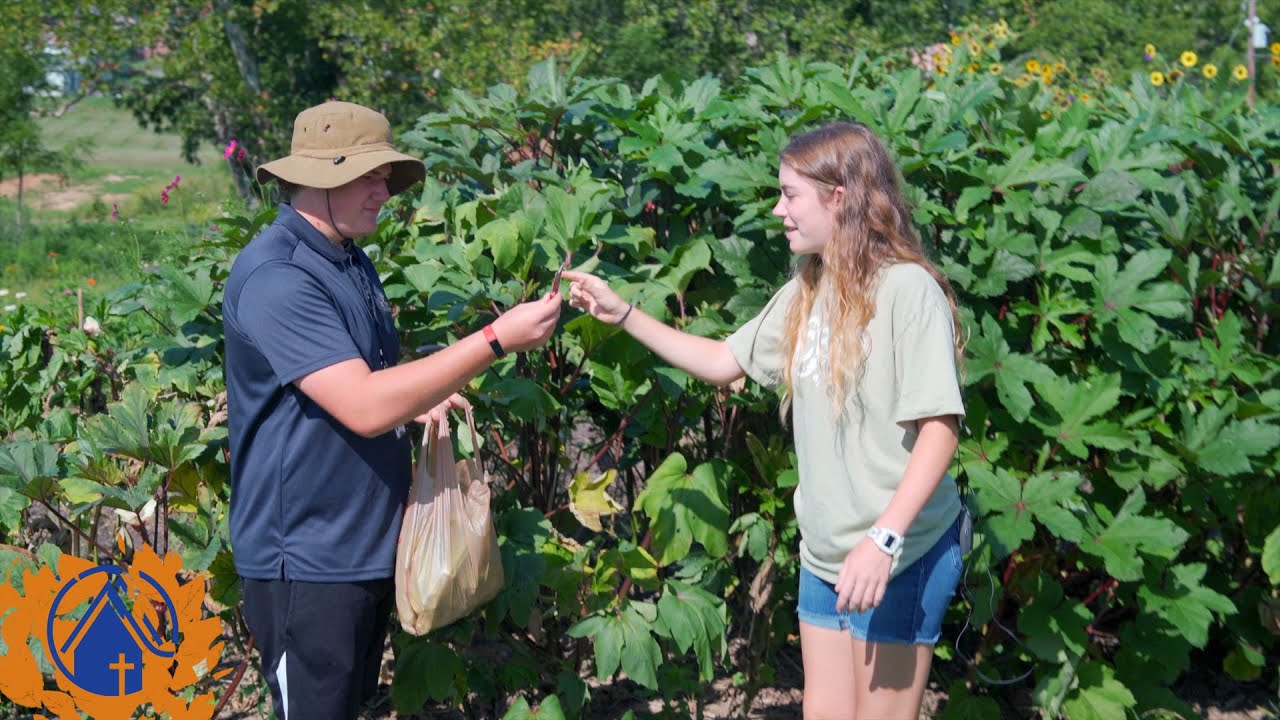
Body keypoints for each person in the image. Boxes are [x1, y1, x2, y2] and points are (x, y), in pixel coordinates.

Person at [563, 121, 966, 720]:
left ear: (838, 198)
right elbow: (723, 362)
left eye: (790, 194)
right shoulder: (809, 289)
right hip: (826, 556)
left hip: (899, 553)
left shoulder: (908, 291)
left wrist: (884, 540)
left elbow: (941, 428)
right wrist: (623, 314)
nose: (779, 209)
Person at [223, 100, 562, 720]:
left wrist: (419, 402)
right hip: (305, 561)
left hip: (356, 546)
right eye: (369, 177)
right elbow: (362, 405)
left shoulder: (348, 259)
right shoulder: (278, 277)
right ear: (320, 177)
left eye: (386, 177)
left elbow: (356, 383)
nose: (384, 193)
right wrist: (494, 340)